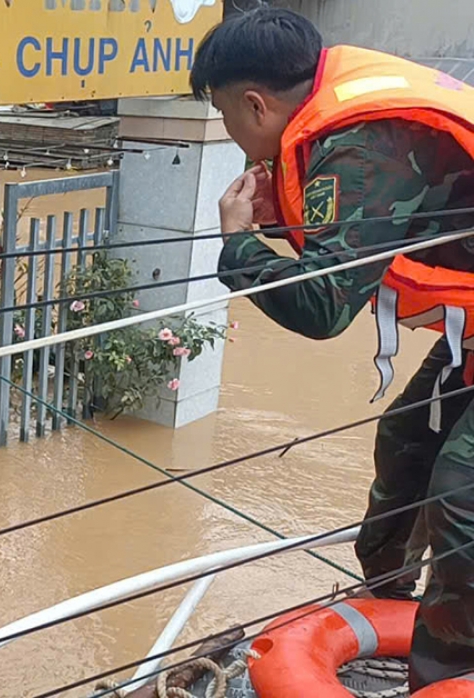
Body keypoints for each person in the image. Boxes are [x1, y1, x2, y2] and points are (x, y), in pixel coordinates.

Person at [190, 8, 474, 689]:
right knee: (406, 441)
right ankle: (390, 606)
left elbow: (323, 309)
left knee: (461, 493)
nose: (232, 137)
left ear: (256, 103)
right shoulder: (337, 120)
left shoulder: (360, 144)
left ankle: (448, 672)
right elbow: (362, 234)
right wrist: (283, 222)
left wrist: (237, 246)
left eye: (228, 117)